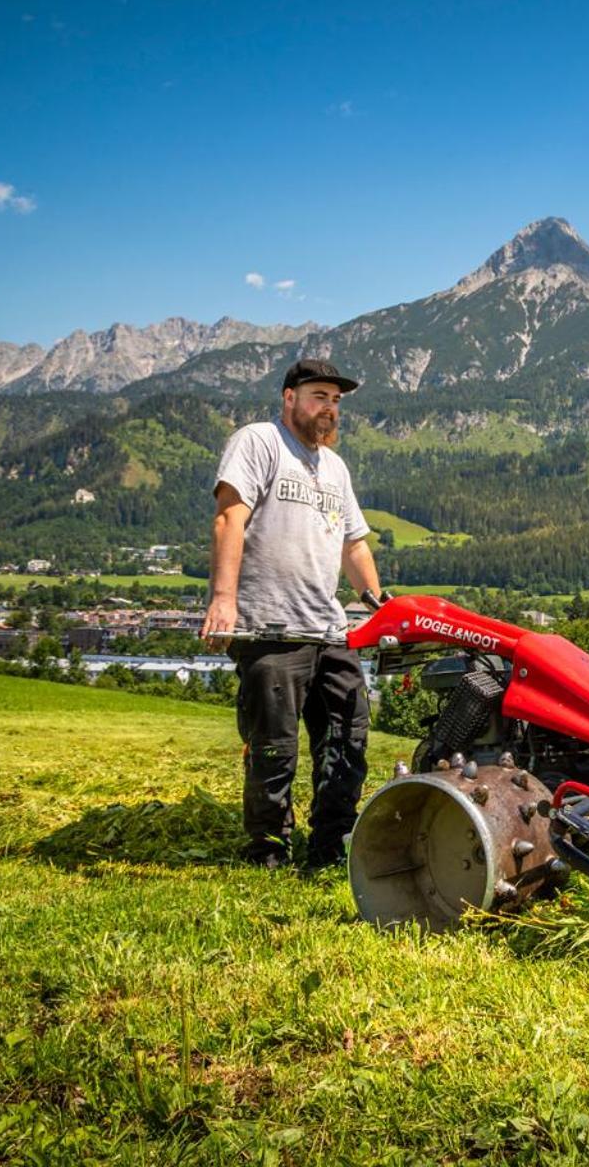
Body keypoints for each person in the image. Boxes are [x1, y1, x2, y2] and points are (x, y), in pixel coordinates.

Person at [201, 358, 384, 869]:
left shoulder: (335, 467)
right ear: (289, 397)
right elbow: (227, 519)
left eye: (336, 401)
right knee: (274, 750)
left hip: (329, 629)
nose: (329, 409)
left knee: (347, 742)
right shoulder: (258, 442)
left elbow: (355, 546)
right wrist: (223, 597)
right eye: (319, 396)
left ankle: (331, 846)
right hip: (270, 628)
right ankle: (268, 847)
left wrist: (380, 609)